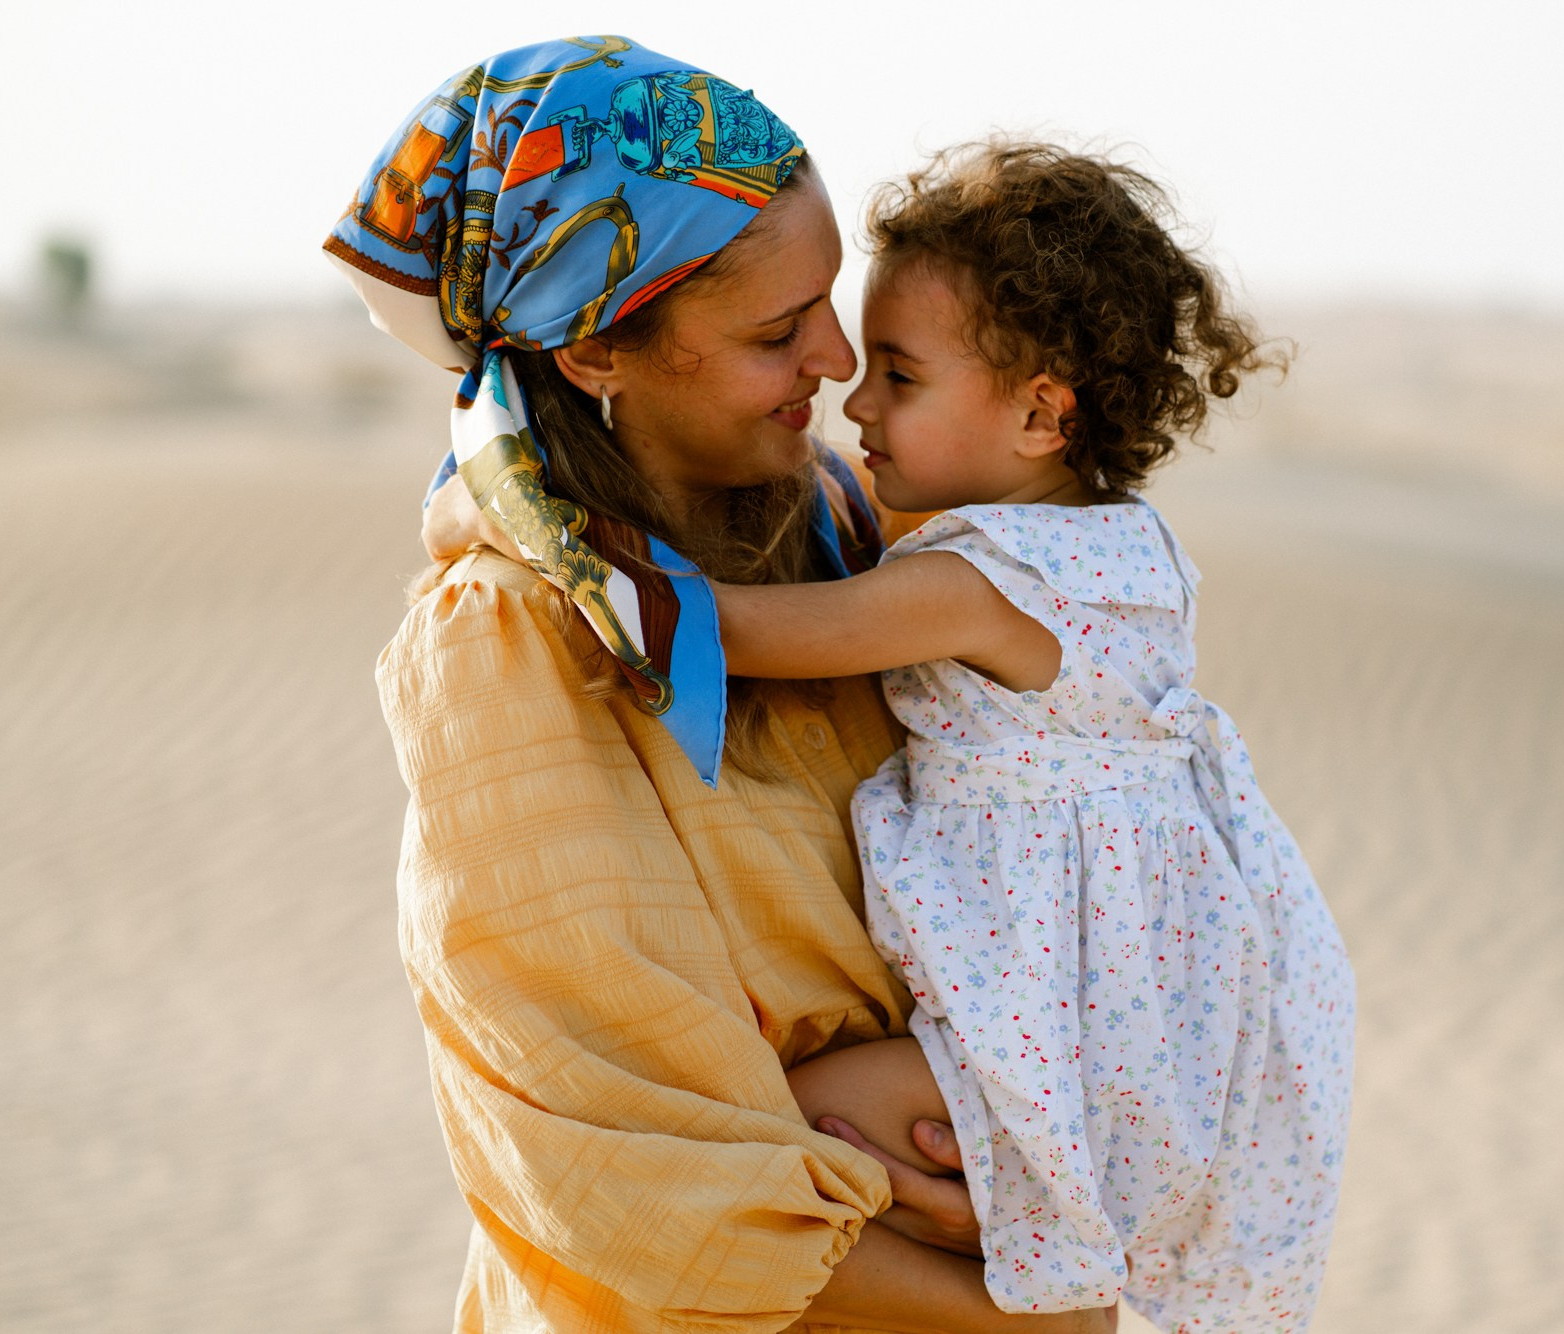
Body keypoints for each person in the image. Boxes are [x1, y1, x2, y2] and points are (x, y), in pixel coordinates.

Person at [444, 142, 1359, 1332]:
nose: (852, 400)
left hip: (1051, 1016)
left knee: (783, 1128)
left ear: (1039, 411)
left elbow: (716, 631)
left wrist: (498, 500)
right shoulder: (1127, 548)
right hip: (1143, 1008)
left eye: (897, 374)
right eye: (827, 350)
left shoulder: (972, 582)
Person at [336, 37, 1114, 1334]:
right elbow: (610, 1165)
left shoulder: (863, 539)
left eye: (831, 301)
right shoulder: (510, 640)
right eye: (775, 330)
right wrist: (1038, 1317)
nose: (836, 360)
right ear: (595, 356)